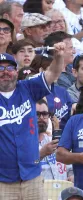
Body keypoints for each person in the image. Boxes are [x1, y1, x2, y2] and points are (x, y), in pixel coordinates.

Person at [0, 41, 66, 200]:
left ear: (16, 71)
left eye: (9, 68)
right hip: (3, 181)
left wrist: (58, 57)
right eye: (0, 68)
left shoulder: (27, 88)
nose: (5, 72)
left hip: (32, 177)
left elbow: (52, 74)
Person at [37, 99, 67, 180]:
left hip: (61, 190)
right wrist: (41, 154)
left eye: (45, 114)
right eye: (37, 114)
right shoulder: (21, 143)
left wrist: (71, 175)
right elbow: (22, 168)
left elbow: (69, 167)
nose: (41, 118)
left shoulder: (54, 141)